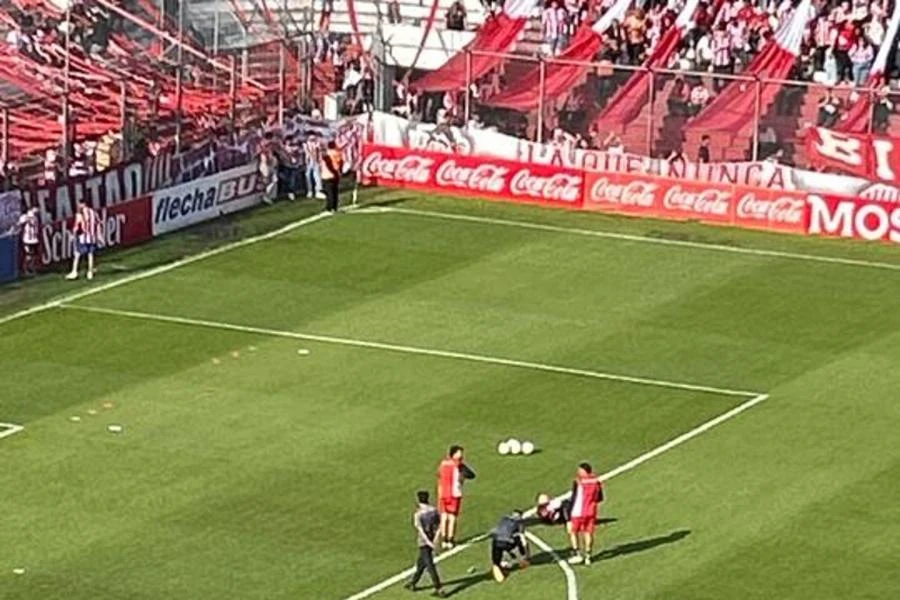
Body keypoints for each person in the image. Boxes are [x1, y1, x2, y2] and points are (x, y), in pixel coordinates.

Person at [404, 491, 447, 597]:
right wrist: (436, 540)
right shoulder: (434, 510)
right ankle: (413, 583)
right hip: (432, 539)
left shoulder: (418, 514)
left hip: (424, 543)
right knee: (421, 563)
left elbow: (421, 531)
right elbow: (439, 526)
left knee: (429, 565)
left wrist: (428, 542)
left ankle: (439, 588)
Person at [437, 445, 476, 549]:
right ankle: (450, 539)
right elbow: (471, 475)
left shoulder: (443, 463)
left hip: (443, 493)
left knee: (444, 516)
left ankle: (444, 539)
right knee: (452, 516)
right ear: (454, 454)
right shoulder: (458, 465)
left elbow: (439, 475)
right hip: (454, 493)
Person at [567, 462, 604, 566]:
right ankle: (588, 556)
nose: (578, 472)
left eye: (580, 470)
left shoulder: (578, 481)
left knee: (573, 531)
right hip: (591, 511)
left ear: (584, 471)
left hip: (578, 511)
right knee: (588, 533)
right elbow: (600, 497)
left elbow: (574, 497)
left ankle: (577, 553)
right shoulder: (596, 481)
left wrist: (569, 511)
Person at [489, 510, 530, 583]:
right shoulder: (519, 523)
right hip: (507, 543)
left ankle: (499, 565)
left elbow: (498, 531)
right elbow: (522, 539)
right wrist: (525, 554)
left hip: (496, 542)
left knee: (496, 561)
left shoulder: (503, 519)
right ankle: (520, 559)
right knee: (516, 543)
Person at [66, 200, 100, 280]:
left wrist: (72, 234)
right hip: (93, 236)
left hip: (84, 237)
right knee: (90, 254)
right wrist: (98, 235)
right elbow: (98, 223)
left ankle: (74, 272)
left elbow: (77, 225)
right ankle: (90, 272)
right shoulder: (93, 212)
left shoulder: (80, 214)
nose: (78, 206)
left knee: (77, 254)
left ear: (83, 204)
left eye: (79, 204)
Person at [320, 141, 344, 213]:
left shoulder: (327, 154)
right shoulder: (338, 153)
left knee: (329, 192)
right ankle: (334, 206)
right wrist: (340, 171)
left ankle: (329, 207)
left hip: (326, 174)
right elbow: (341, 162)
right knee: (335, 191)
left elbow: (327, 163)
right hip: (336, 174)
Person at [17, 207, 40, 276]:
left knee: (34, 256)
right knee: (28, 256)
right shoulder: (25, 217)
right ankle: (25, 270)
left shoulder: (35, 218)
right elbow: (19, 223)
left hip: (34, 239)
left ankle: (31, 268)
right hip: (27, 240)